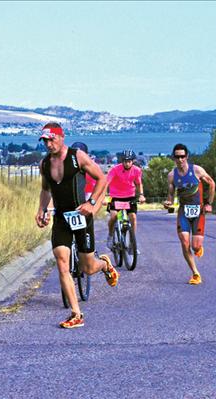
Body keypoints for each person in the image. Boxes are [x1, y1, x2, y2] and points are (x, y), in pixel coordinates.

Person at [35, 122, 120, 329]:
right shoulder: (45, 164)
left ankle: (104, 264)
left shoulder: (77, 157)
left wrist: (92, 204)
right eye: (45, 140)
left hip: (81, 215)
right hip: (62, 218)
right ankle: (76, 313)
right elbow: (46, 190)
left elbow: (102, 178)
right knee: (62, 262)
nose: (48, 144)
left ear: (61, 137)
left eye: (51, 139)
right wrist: (42, 210)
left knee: (88, 268)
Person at [163, 143, 216, 285]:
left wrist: (208, 203)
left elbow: (211, 183)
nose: (180, 159)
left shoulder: (197, 170)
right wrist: (168, 203)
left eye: (182, 156)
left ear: (187, 156)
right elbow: (170, 196)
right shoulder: (171, 176)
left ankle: (198, 248)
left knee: (195, 246)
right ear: (173, 157)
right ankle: (195, 274)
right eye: (177, 157)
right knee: (184, 242)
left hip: (199, 211)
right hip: (183, 212)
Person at [105, 149, 146, 252]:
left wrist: (141, 195)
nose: (127, 163)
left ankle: (132, 242)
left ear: (132, 161)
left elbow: (139, 184)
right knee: (113, 216)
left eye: (129, 161)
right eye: (125, 161)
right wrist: (104, 197)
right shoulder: (114, 170)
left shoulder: (136, 170)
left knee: (133, 217)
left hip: (130, 196)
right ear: (122, 161)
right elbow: (106, 183)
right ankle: (110, 236)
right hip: (116, 196)